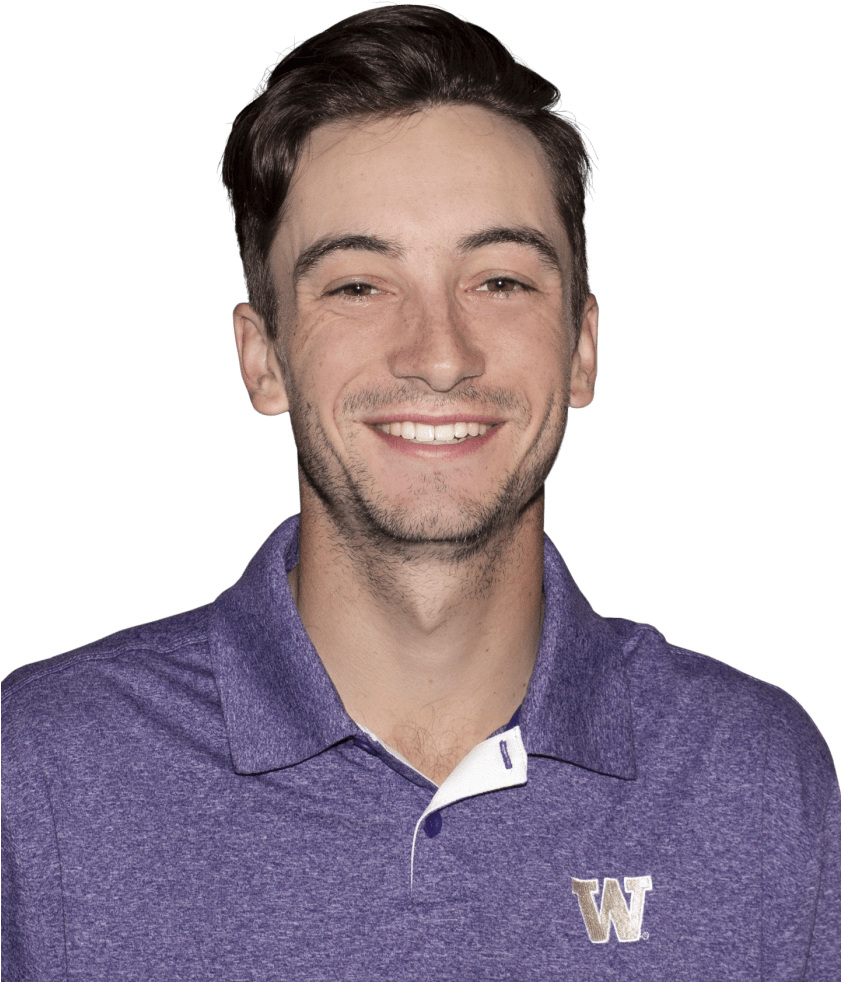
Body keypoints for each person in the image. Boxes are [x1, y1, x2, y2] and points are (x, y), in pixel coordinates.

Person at [2, 5, 838, 980]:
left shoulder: (754, 775)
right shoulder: (38, 770)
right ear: (262, 358)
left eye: (499, 281)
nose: (439, 354)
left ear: (581, 348)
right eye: (358, 285)